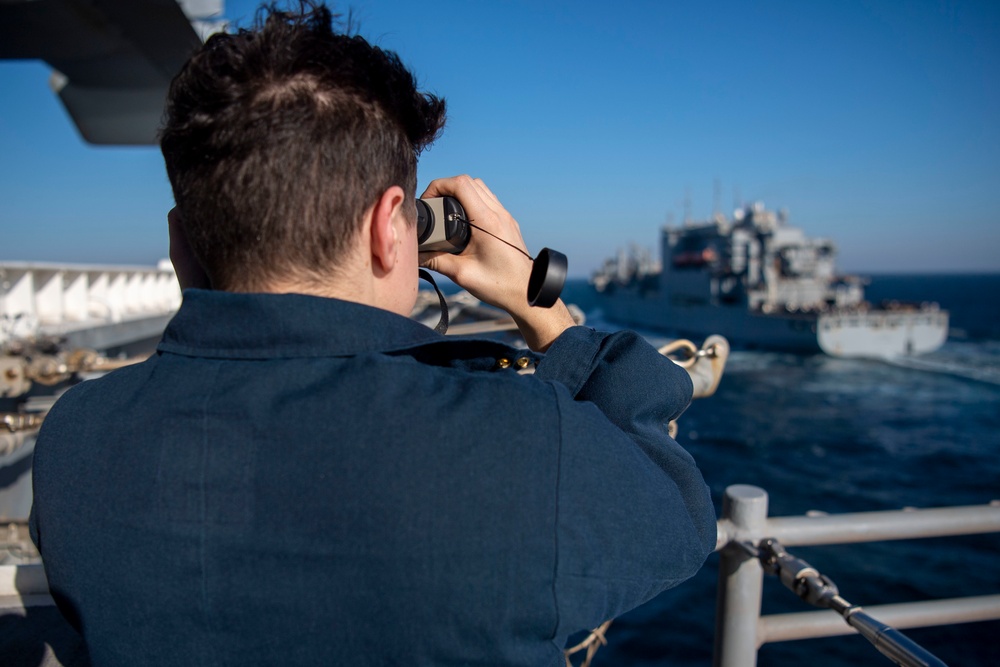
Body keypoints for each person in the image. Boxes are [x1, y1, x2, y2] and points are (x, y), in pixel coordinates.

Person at [30, 3, 716, 665]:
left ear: (181, 241)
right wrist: (534, 297)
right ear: (393, 226)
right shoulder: (519, 446)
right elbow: (678, 509)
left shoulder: (75, 441)